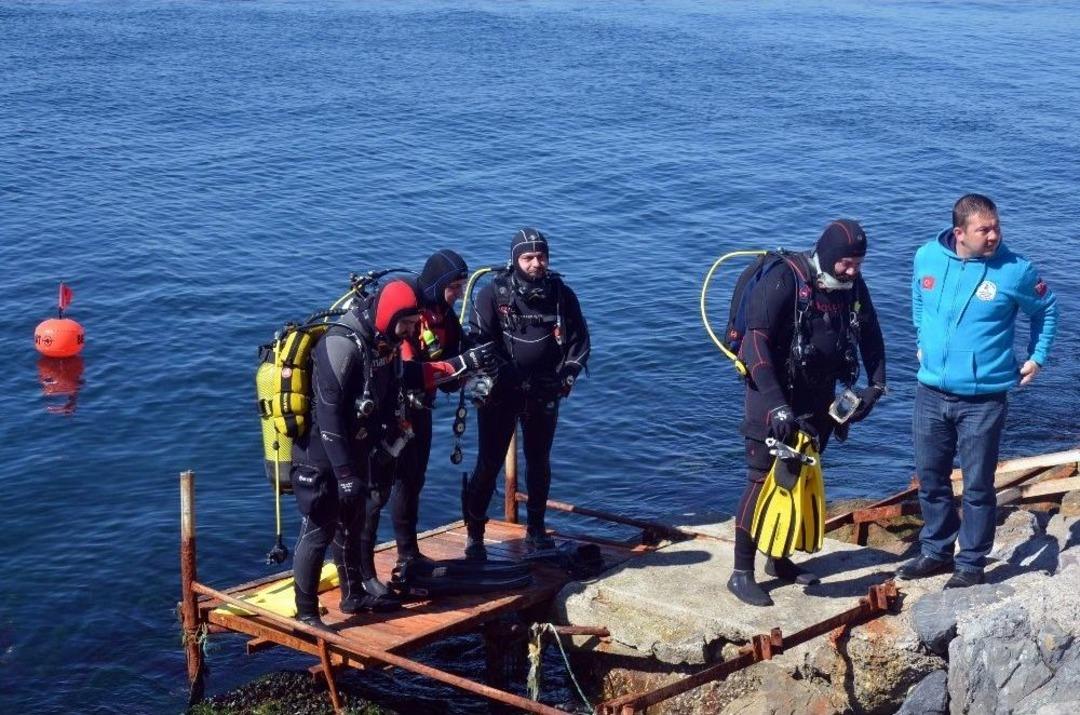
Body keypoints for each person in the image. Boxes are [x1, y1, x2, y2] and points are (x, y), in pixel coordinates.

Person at [290, 279, 495, 630]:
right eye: (408, 324)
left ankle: (353, 595)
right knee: (319, 530)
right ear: (390, 315)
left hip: (355, 450)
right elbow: (329, 415)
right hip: (321, 455)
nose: (411, 332)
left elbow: (411, 375)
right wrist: (343, 473)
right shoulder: (340, 346)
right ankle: (307, 614)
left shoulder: (383, 342)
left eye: (415, 325)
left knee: (351, 526)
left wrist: (460, 363)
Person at [898, 194, 1058, 589]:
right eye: (983, 230)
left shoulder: (1016, 270)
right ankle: (935, 551)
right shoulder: (926, 257)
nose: (993, 236)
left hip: (984, 398)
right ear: (959, 233)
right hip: (930, 391)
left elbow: (1046, 308)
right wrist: (921, 335)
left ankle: (970, 562)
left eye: (996, 227)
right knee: (931, 478)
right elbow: (919, 296)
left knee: (977, 484)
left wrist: (1036, 357)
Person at [728, 219, 887, 607]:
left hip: (818, 400)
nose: (852, 271)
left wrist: (876, 387)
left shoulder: (851, 288)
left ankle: (778, 559)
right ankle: (740, 573)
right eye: (847, 263)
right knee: (762, 478)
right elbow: (756, 346)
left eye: (858, 264)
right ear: (829, 256)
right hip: (771, 399)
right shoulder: (785, 279)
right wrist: (777, 406)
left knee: (797, 476)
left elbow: (871, 335)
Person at [462, 228, 591, 558]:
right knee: (488, 464)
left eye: (541, 256)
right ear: (515, 259)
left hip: (544, 391)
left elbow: (579, 343)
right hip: (500, 394)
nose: (536, 263)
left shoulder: (561, 294)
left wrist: (568, 377)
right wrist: (494, 382)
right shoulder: (493, 294)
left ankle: (536, 529)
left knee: (539, 463)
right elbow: (477, 343)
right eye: (528, 257)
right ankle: (475, 536)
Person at [391, 250, 469, 566]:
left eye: (462, 286)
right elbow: (407, 372)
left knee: (414, 480)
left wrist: (469, 366)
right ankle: (365, 568)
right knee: (385, 488)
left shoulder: (444, 315)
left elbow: (454, 364)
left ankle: (408, 553)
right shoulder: (410, 314)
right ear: (438, 284)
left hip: (421, 409)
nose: (459, 293)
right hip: (395, 412)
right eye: (455, 287)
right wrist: (456, 367)